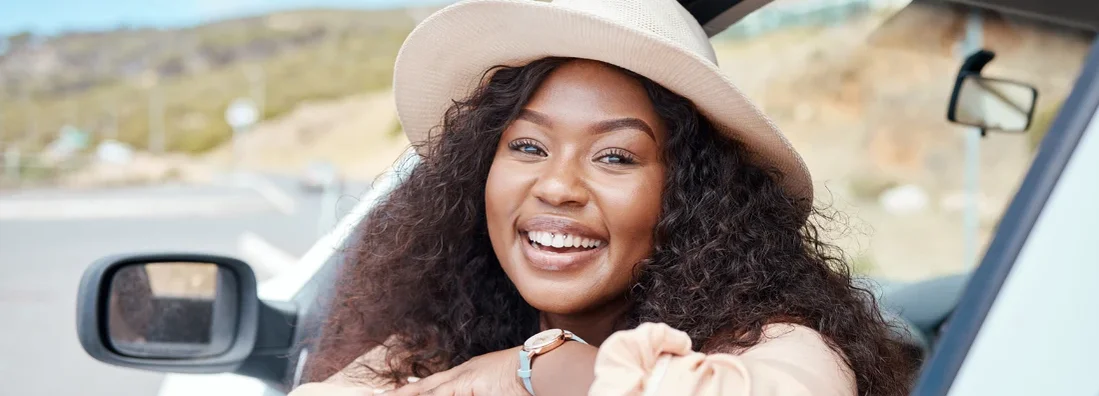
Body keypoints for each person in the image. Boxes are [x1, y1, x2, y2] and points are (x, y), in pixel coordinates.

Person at [293, 0, 916, 395]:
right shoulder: (430, 349)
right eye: (529, 147)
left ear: (692, 195)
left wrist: (534, 371)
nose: (558, 186)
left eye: (614, 156)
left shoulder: (777, 348)